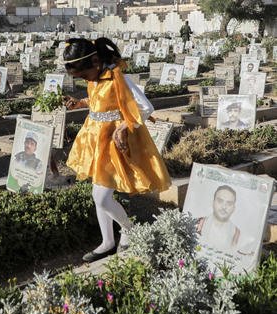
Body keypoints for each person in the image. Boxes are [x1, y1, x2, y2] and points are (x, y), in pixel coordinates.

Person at [62, 38, 171, 262]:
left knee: (101, 197)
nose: (84, 80)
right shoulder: (95, 77)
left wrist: (123, 126)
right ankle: (108, 242)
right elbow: (98, 100)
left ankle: (129, 229)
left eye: (84, 75)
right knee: (98, 195)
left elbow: (145, 107)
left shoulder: (118, 77)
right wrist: (80, 103)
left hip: (114, 142)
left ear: (95, 61)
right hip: (95, 139)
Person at [196, 185, 240, 251]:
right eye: (220, 201)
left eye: (229, 203)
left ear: (233, 208)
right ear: (213, 202)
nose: (224, 207)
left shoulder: (236, 233)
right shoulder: (200, 223)